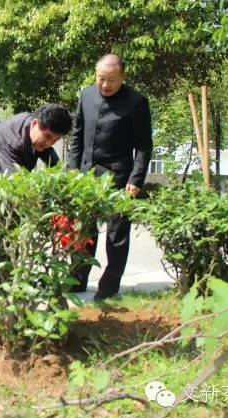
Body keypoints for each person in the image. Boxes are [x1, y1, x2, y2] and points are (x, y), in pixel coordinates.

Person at [67, 53, 153, 301]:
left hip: (118, 177)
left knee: (117, 235)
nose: (105, 85)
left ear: (122, 77)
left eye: (111, 80)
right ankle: (78, 278)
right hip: (85, 176)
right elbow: (76, 135)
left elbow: (144, 146)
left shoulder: (136, 102)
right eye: (101, 79)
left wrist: (135, 180)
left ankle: (108, 286)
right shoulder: (86, 95)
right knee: (82, 231)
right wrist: (73, 171)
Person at [0, 103, 72, 175]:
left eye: (55, 140)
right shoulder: (13, 141)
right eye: (48, 136)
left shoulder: (36, 132)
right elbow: (16, 183)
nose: (49, 143)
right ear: (34, 123)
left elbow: (56, 167)